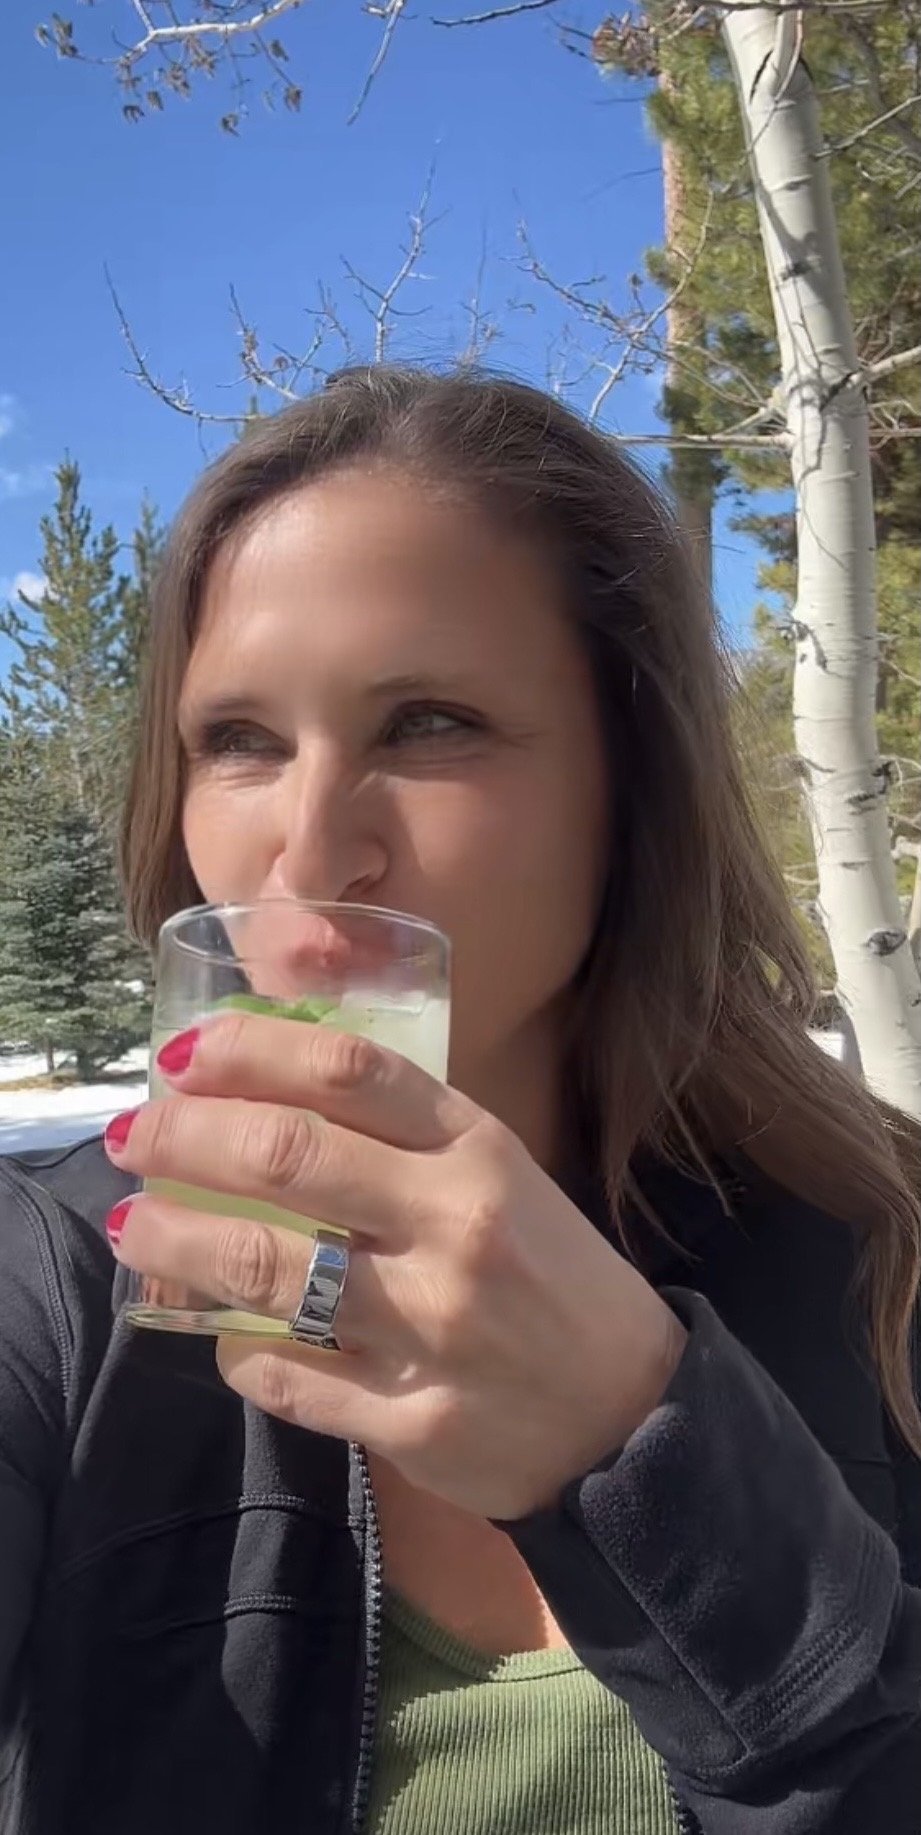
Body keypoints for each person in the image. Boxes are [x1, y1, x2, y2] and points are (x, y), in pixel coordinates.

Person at [1, 365, 919, 1835]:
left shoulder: (888, 1255)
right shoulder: (51, 1282)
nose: (306, 852)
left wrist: (643, 1462)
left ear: (631, 785)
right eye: (237, 740)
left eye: (428, 724)